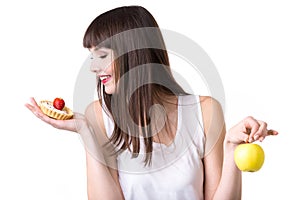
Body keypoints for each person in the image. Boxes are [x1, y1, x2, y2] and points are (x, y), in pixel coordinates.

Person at [25, 6, 278, 200]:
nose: (93, 68)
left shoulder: (205, 111)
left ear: (132, 52)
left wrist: (231, 148)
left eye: (101, 55)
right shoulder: (98, 117)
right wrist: (86, 132)